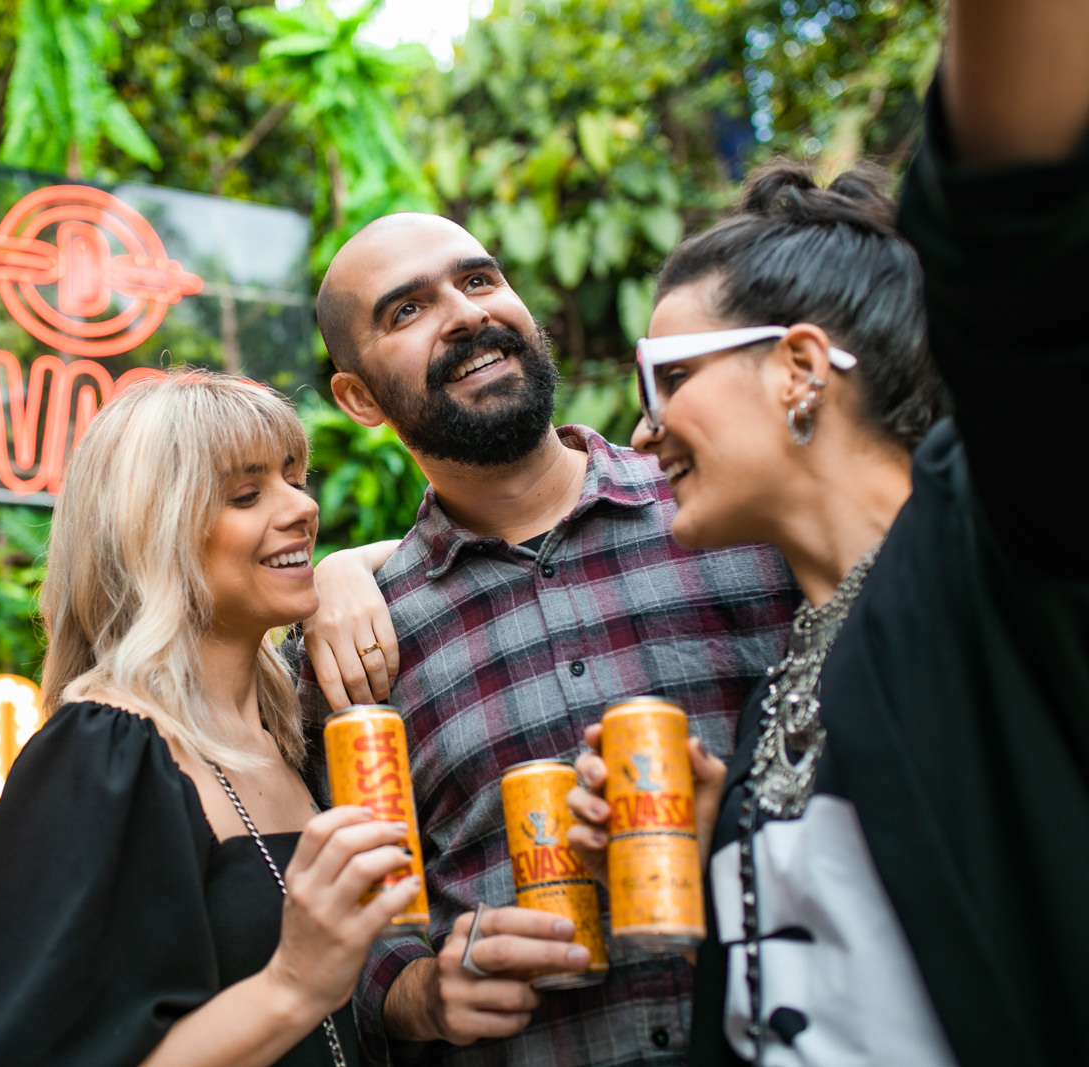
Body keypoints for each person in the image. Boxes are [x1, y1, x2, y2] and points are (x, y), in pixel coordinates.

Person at [565, 2, 1089, 1062]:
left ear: (800, 366)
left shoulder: (1000, 541)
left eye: (667, 378)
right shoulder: (781, 688)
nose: (642, 428)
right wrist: (730, 839)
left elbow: (1017, 213)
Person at [297, 210, 797, 1065]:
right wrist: (418, 993)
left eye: (479, 279)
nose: (465, 313)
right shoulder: (357, 644)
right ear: (359, 400)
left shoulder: (735, 512)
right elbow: (336, 911)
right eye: (407, 309)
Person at [0, 371, 422, 1067]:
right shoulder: (103, 753)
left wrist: (344, 568)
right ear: (155, 534)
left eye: (295, 479)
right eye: (246, 494)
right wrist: (292, 986)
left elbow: (448, 544)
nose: (302, 507)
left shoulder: (292, 730)